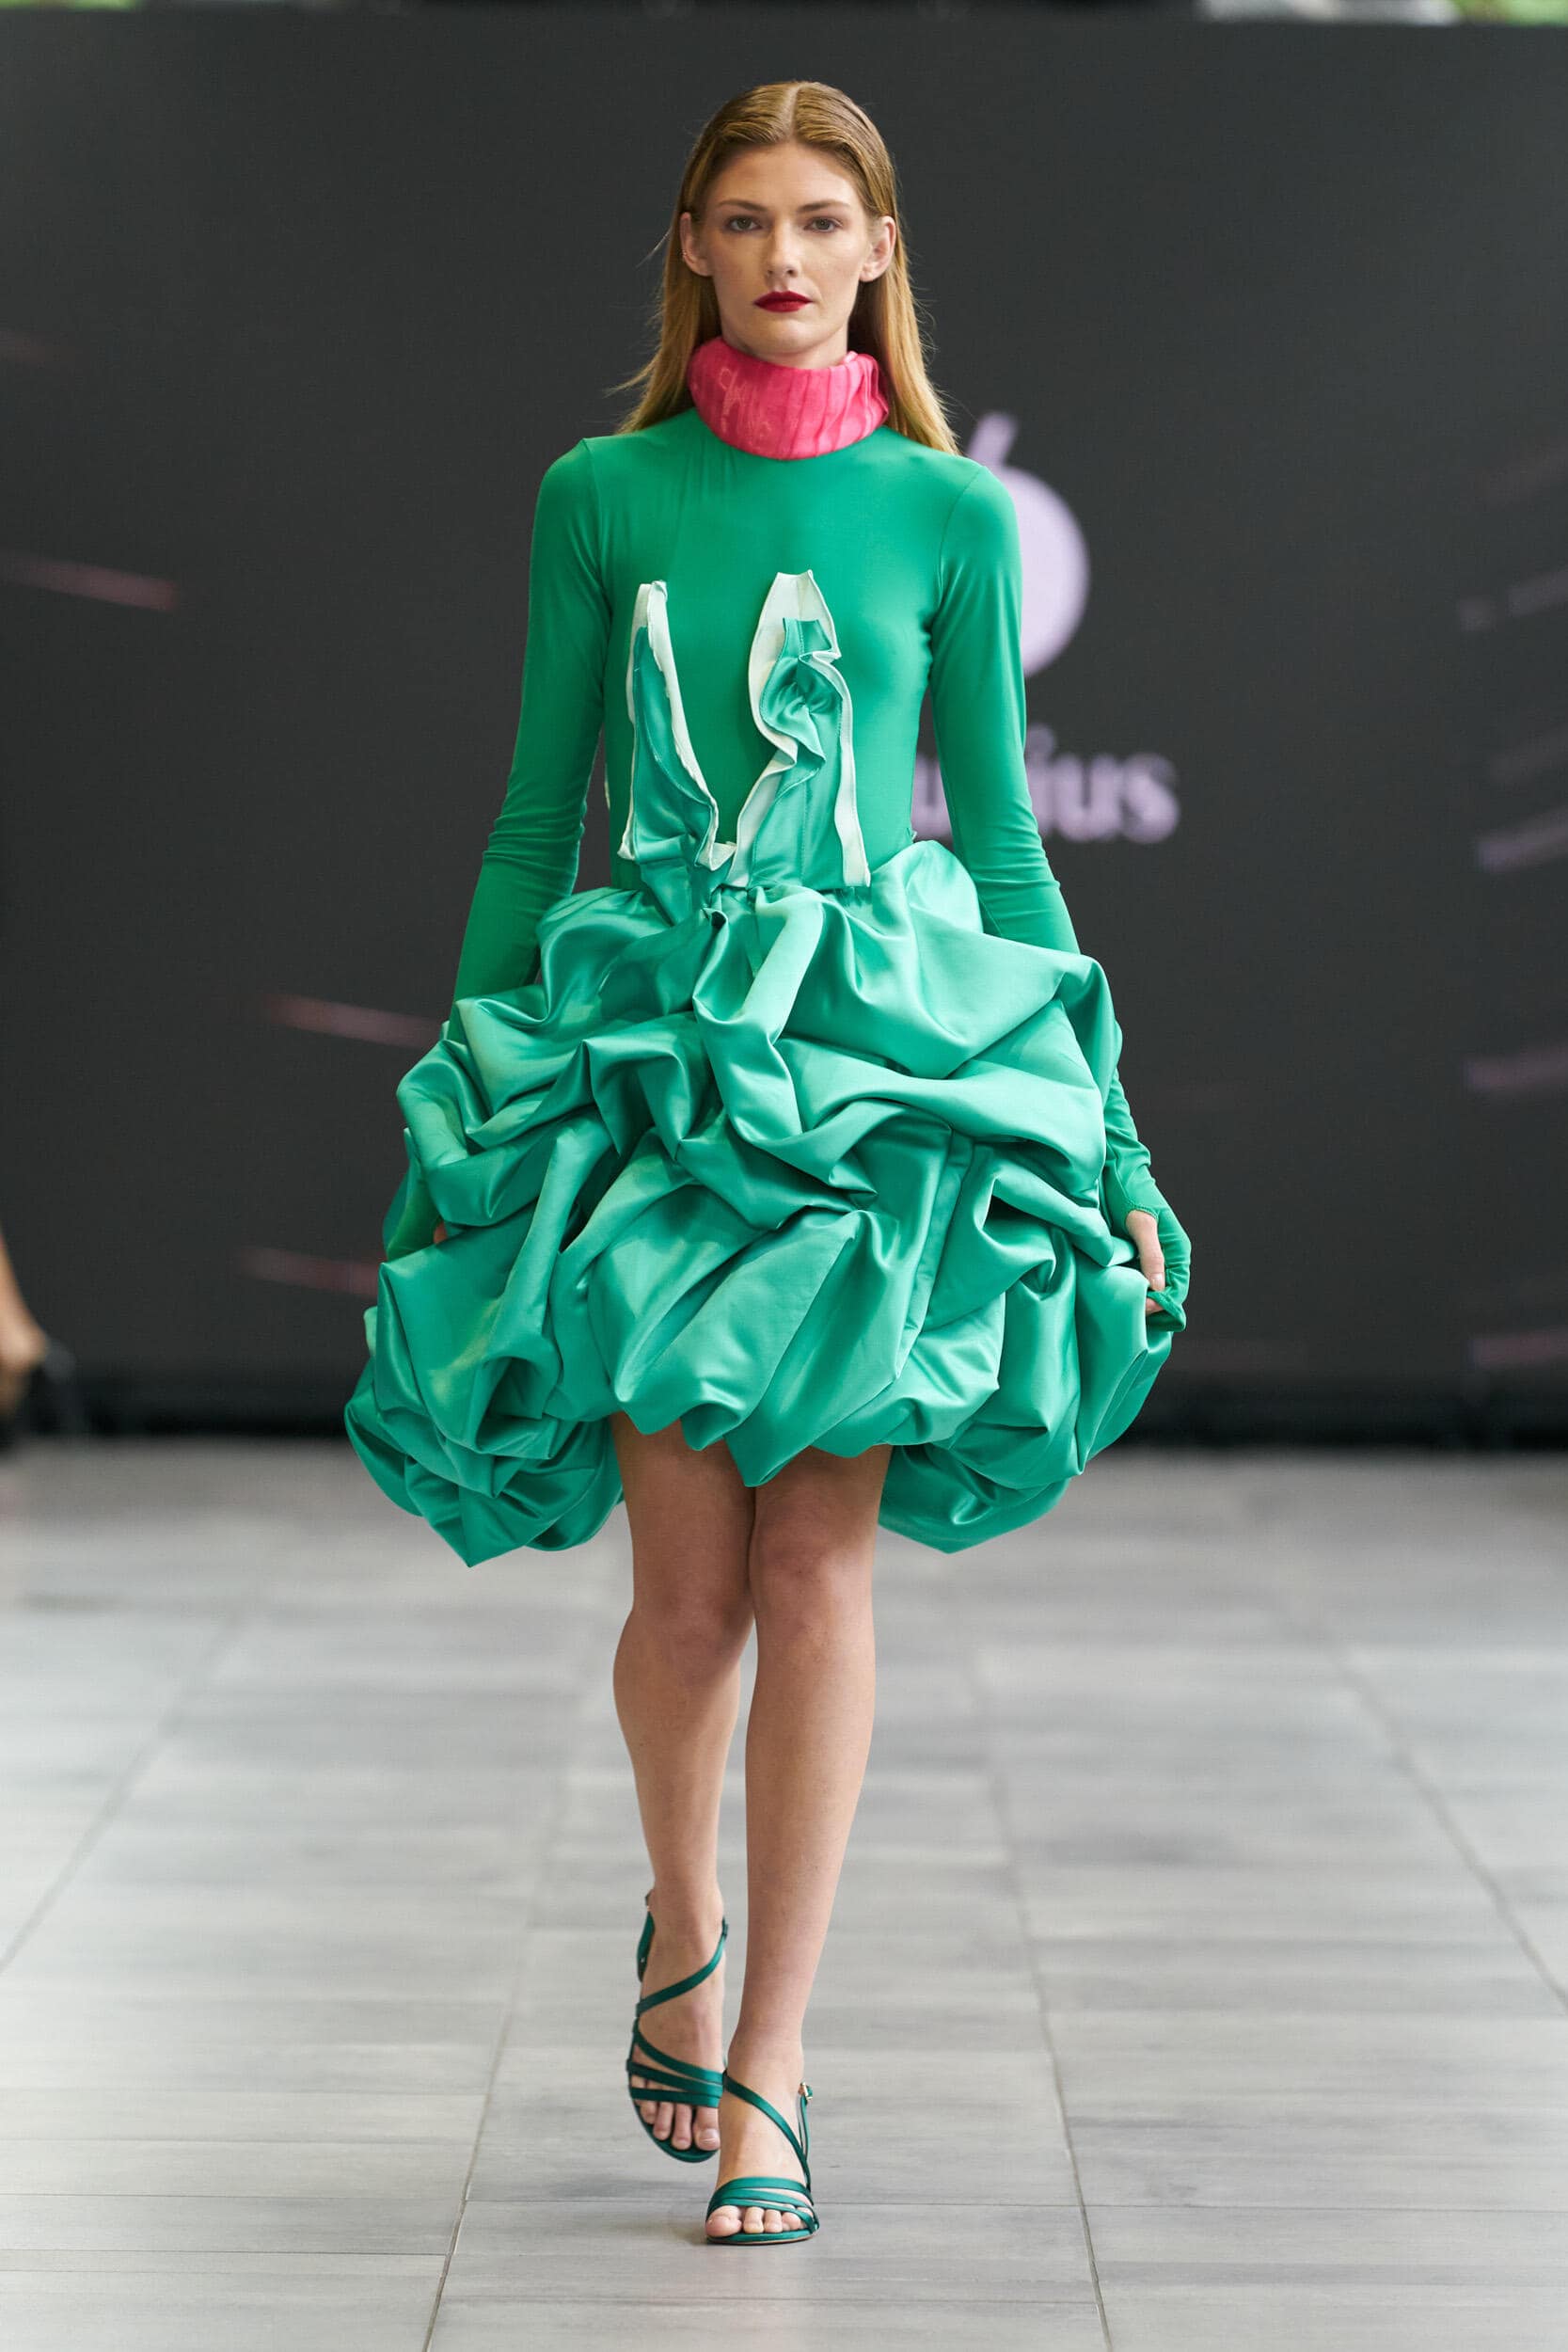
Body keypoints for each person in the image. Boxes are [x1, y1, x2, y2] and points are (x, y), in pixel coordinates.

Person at [345, 80, 1190, 2246]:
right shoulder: (602, 495)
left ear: (879, 250)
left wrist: (1094, 1110)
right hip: (649, 1060)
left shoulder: (948, 516)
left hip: (872, 1075)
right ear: (695, 252)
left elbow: (1001, 842)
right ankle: (682, 1910)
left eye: (823, 219)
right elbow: (536, 816)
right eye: (745, 219)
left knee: (820, 1574)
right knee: (688, 1594)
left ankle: (776, 2065)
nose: (786, 255)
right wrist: (471, 1093)